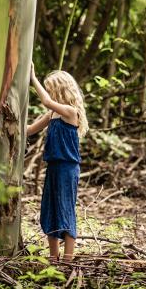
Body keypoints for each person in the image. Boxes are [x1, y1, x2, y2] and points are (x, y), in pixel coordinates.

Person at [27, 63, 88, 261]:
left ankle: (68, 260)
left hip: (67, 169)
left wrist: (33, 78)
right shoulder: (52, 114)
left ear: (61, 90)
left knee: (65, 209)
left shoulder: (70, 112)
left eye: (52, 89)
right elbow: (29, 130)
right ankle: (54, 259)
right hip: (53, 167)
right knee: (50, 209)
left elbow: (45, 101)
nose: (49, 93)